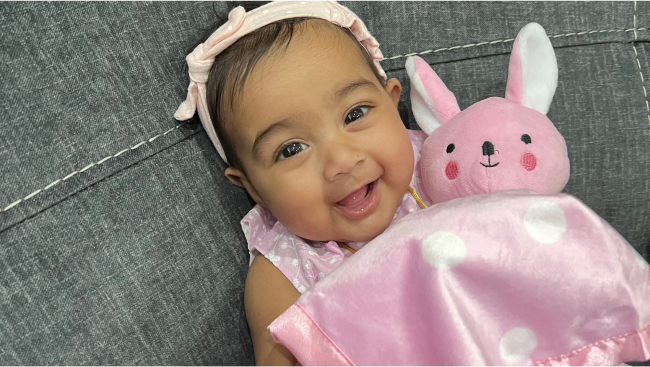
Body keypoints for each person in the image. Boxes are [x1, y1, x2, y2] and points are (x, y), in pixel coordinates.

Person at [175, 1, 430, 364]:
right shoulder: (284, 271)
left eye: (355, 114)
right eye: (291, 149)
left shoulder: (442, 161)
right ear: (252, 189)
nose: (341, 161)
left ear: (392, 102)